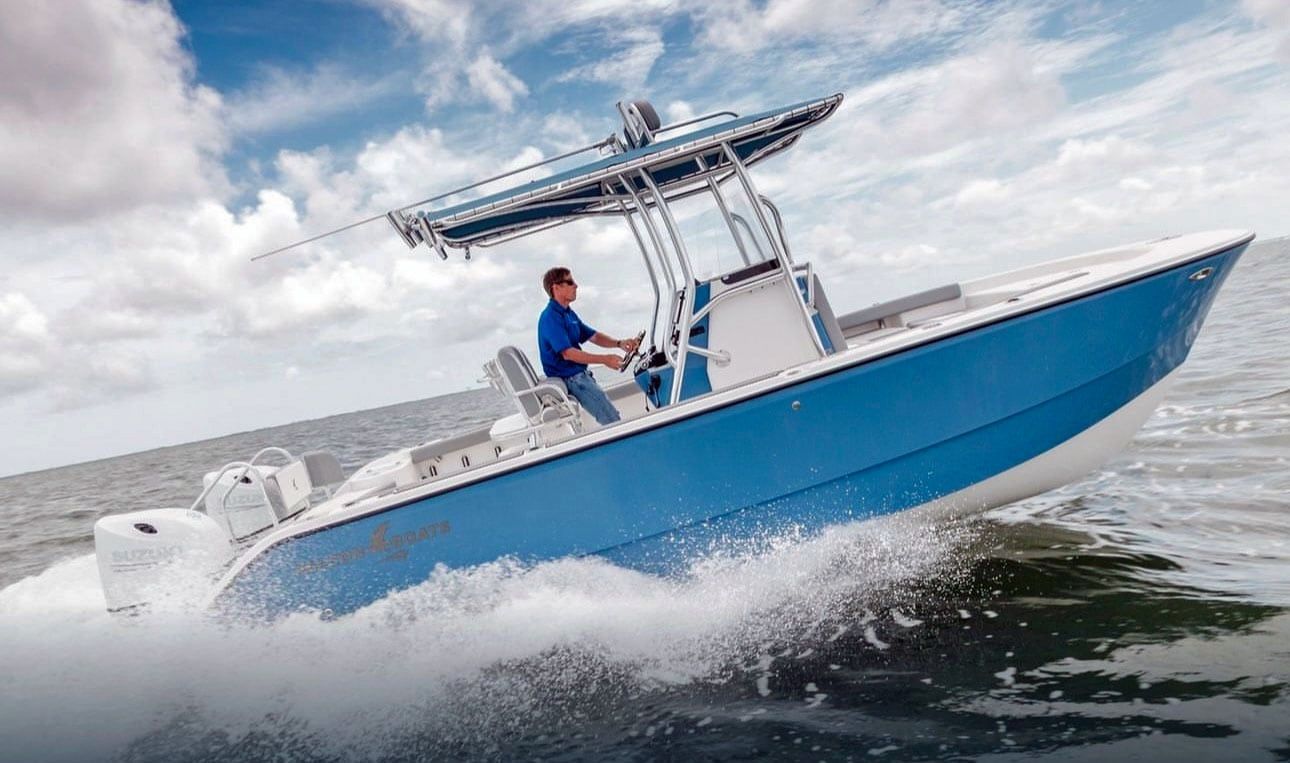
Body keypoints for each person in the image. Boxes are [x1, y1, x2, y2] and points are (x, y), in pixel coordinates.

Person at [537, 267, 640, 425]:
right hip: (573, 379)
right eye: (570, 282)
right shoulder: (550, 317)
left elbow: (594, 336)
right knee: (611, 419)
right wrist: (605, 359)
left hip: (581, 376)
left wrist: (620, 343)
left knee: (611, 418)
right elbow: (568, 353)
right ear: (556, 287)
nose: (576, 286)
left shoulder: (568, 313)